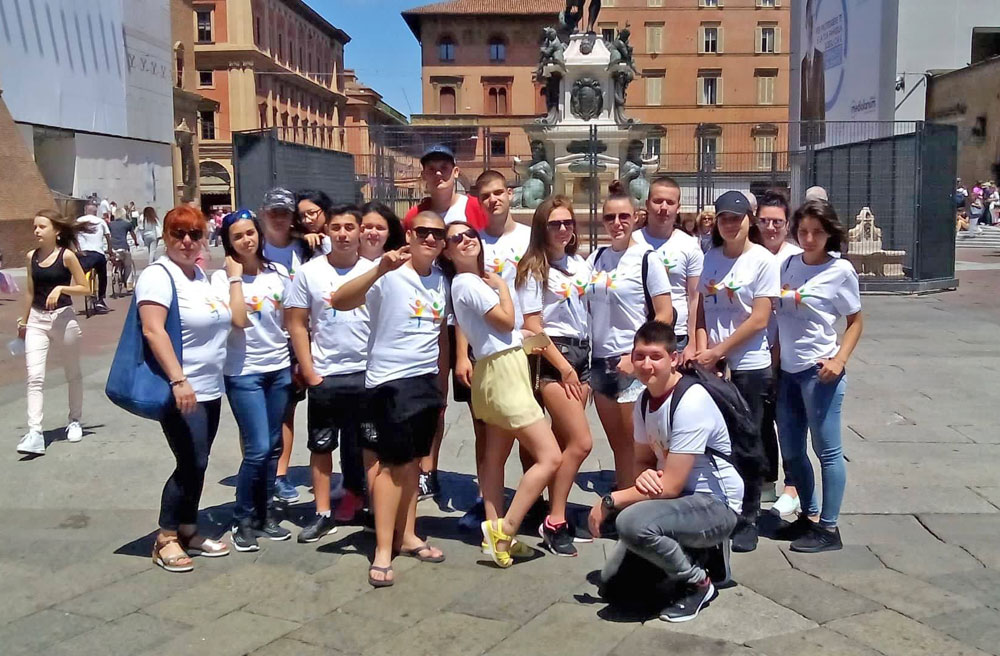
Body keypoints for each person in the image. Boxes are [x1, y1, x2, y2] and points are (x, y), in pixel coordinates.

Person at [588, 321, 743, 623]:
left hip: (715, 503)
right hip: (677, 499)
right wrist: (644, 475)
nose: (646, 365)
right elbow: (643, 460)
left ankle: (698, 583)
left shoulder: (691, 400)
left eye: (655, 356)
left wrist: (609, 500)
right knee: (615, 589)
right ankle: (701, 554)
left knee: (631, 522)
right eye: (639, 356)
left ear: (673, 359)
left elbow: (670, 486)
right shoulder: (644, 401)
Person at [331, 211, 449, 587]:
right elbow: (339, 300)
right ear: (409, 235)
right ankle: (383, 549)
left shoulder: (441, 280)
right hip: (389, 382)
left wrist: (442, 384)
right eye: (423, 232)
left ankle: (408, 534)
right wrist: (379, 269)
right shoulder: (389, 273)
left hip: (424, 382)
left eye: (438, 234)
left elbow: (441, 336)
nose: (430, 239)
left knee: (413, 465)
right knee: (388, 468)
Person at [441, 221, 562, 568]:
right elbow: (506, 321)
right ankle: (507, 528)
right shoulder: (469, 283)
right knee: (550, 456)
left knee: (494, 457)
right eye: (456, 239)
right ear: (447, 252)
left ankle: (492, 534)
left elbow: (500, 332)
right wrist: (504, 289)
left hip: (491, 370)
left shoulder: (466, 284)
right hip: (505, 373)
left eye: (469, 235)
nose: (466, 240)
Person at [135, 205, 233, 572]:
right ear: (165, 237)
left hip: (209, 386)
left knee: (199, 461)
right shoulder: (158, 276)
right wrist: (179, 379)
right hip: (182, 387)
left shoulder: (199, 275)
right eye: (179, 234)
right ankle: (166, 537)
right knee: (191, 461)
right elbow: (153, 330)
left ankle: (189, 528)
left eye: (195, 233)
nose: (187, 241)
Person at [774, 200, 862, 553]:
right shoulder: (788, 265)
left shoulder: (840, 270)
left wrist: (840, 359)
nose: (809, 239)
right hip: (787, 372)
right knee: (792, 450)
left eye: (817, 232)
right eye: (803, 231)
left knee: (827, 451)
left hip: (819, 372)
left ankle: (829, 527)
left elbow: (855, 321)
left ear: (829, 234)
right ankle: (808, 516)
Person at [695, 190, 779, 553]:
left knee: (748, 439)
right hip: (713, 365)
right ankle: (719, 505)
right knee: (716, 439)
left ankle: (749, 514)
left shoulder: (762, 261)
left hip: (748, 365)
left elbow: (759, 318)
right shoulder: (711, 257)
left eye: (737, 218)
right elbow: (701, 309)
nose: (730, 224)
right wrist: (703, 351)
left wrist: (719, 352)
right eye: (724, 219)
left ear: (749, 220)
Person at [285, 205, 375, 542]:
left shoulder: (374, 270)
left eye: (349, 227)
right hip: (326, 373)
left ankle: (374, 509)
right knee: (321, 445)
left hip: (367, 372)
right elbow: (296, 322)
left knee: (371, 444)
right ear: (327, 232)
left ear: (360, 231)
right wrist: (309, 371)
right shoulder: (310, 272)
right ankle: (322, 512)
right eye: (336, 228)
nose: (343, 234)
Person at [449, 170, 532, 520]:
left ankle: (530, 499)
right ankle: (486, 499)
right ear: (478, 201)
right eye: (485, 196)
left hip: (525, 341)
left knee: (529, 425)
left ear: (510, 194)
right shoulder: (472, 240)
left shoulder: (529, 237)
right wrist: (460, 355)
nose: (493, 200)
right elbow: (462, 311)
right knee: (485, 430)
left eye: (498, 193)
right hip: (486, 349)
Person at [210, 209, 293, 552]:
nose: (246, 240)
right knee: (257, 447)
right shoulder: (221, 279)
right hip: (244, 372)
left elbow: (289, 319)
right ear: (228, 243)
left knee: (273, 446)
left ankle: (264, 513)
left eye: (250, 233)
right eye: (237, 237)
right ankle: (242, 517)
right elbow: (239, 320)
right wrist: (234, 279)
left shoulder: (278, 274)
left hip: (279, 368)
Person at [516, 197, 594, 556]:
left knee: (566, 443)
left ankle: (551, 511)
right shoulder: (534, 268)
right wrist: (563, 367)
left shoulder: (579, 264)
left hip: (582, 353)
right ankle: (556, 519)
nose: (563, 229)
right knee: (581, 442)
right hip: (554, 357)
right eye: (554, 224)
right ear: (541, 228)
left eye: (567, 222)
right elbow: (532, 326)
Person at [588, 182, 674, 490]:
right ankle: (624, 500)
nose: (617, 223)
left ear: (636, 217)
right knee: (618, 445)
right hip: (601, 362)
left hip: (632, 363)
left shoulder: (647, 259)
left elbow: (664, 314)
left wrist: (637, 357)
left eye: (623, 216)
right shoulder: (595, 258)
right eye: (610, 217)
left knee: (640, 446)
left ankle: (639, 505)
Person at [15, 210, 93, 456]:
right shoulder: (31, 257)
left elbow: (86, 288)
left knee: (72, 373)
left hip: (63, 319)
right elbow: (30, 291)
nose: (36, 231)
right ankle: (35, 433)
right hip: (37, 320)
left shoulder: (66, 256)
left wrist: (61, 288)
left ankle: (75, 420)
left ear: (56, 231)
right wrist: (23, 321)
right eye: (35, 227)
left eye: (42, 226)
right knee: (34, 376)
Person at [259, 187, 308, 503]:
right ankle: (259, 471)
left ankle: (279, 473)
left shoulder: (305, 248)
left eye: (285, 212)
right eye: (273, 212)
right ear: (263, 214)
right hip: (264, 338)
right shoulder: (253, 247)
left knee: (286, 410)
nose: (279, 218)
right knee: (261, 412)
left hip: (300, 336)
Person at [756, 191, 802, 515]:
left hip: (790, 351)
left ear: (787, 224)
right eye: (765, 221)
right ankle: (766, 480)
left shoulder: (796, 257)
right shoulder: (750, 254)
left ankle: (793, 485)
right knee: (760, 419)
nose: (771, 227)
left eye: (777, 222)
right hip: (757, 350)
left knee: (789, 422)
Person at [633, 176, 704, 364]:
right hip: (639, 334)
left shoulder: (689, 245)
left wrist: (692, 342)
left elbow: (695, 298)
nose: (663, 207)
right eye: (657, 201)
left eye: (670, 202)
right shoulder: (633, 241)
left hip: (677, 337)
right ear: (647, 204)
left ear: (678, 207)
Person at [403, 144, 487, 231]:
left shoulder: (479, 208)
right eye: (431, 169)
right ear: (424, 175)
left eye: (444, 167)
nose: (438, 173)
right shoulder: (414, 216)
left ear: (456, 172)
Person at [75, 201, 113, 313]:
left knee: (80, 271)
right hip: (98, 253)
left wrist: (76, 249)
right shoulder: (101, 222)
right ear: (96, 212)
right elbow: (108, 237)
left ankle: (85, 287)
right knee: (102, 275)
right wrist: (110, 250)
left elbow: (72, 236)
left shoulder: (78, 221)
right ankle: (100, 299)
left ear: (85, 211)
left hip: (83, 254)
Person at [295, 190, 334, 258]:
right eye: (302, 216)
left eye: (311, 213)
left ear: (325, 210)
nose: (307, 221)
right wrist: (302, 236)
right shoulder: (301, 241)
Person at [108, 209, 140, 287]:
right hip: (123, 247)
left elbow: (108, 235)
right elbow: (133, 234)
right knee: (128, 265)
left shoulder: (110, 224)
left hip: (113, 248)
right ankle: (129, 283)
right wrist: (136, 242)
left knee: (114, 260)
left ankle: (115, 272)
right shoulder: (127, 224)